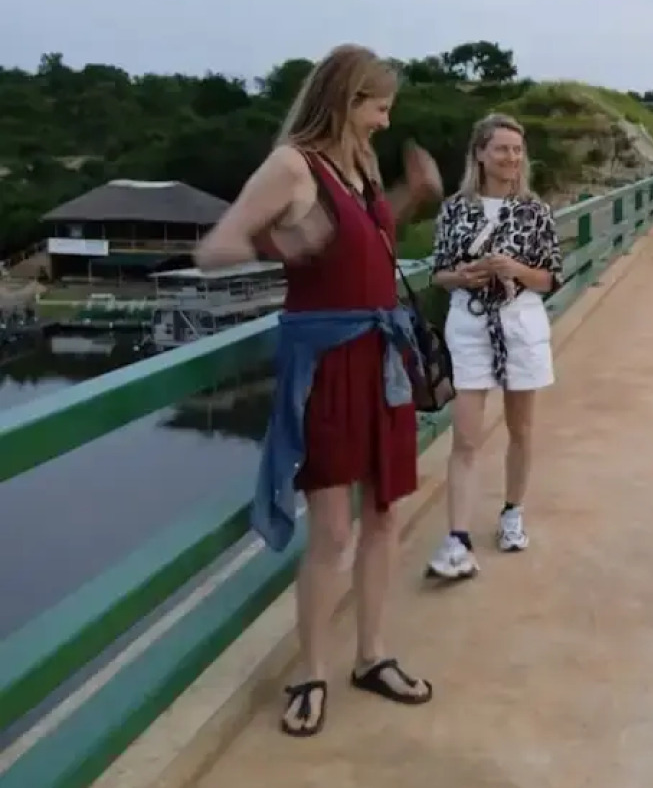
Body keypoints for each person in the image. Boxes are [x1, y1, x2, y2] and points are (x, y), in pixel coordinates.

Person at [195, 44, 444, 737]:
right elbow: (215, 247)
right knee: (332, 530)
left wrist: (410, 196)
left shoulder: (358, 163)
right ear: (344, 100)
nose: (386, 123)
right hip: (327, 363)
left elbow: (351, 239)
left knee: (386, 515)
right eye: (378, 107)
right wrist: (281, 246)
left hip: (380, 358)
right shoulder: (291, 166)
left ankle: (372, 654)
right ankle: (310, 670)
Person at [425, 113, 563, 580]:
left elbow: (549, 278)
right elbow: (438, 273)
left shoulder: (535, 211)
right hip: (469, 325)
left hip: (520, 324)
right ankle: (457, 538)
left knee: (521, 429)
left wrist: (515, 269)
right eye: (501, 148)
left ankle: (511, 512)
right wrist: (463, 276)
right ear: (480, 153)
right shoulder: (454, 209)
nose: (511, 158)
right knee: (465, 436)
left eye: (517, 150)